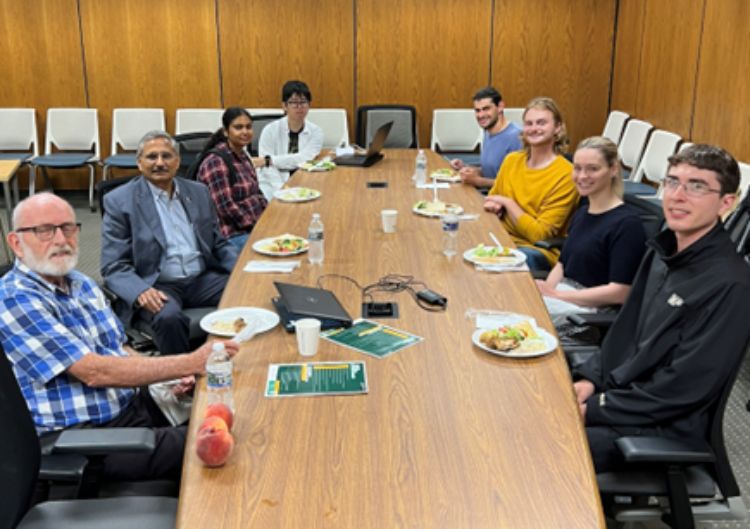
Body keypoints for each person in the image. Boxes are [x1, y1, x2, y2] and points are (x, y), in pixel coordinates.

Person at [0, 192, 239, 481]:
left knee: (229, 414)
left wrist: (170, 378)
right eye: (45, 231)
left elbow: (117, 347)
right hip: (87, 439)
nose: (61, 239)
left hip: (129, 406)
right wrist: (190, 362)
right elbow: (94, 372)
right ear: (16, 243)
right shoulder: (14, 300)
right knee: (222, 446)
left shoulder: (80, 283)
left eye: (68, 228)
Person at [571, 144, 750, 473]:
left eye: (697, 186)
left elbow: (684, 389)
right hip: (624, 399)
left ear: (727, 203)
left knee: (543, 448)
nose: (678, 195)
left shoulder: (731, 284)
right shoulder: (662, 251)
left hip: (660, 425)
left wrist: (595, 408)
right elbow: (624, 330)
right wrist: (590, 380)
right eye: (672, 182)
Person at [101, 131, 239, 356]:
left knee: (252, 291)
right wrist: (140, 291)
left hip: (201, 279)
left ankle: (243, 363)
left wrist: (241, 269)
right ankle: (179, 380)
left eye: (166, 156)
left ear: (177, 161)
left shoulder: (198, 192)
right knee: (168, 317)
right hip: (158, 284)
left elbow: (218, 243)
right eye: (151, 157)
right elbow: (113, 266)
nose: (159, 163)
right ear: (139, 163)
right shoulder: (119, 201)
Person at [536, 137, 647, 309]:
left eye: (593, 169)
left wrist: (557, 296)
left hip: (587, 315)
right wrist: (548, 293)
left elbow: (621, 291)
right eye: (577, 168)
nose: (582, 176)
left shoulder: (627, 225)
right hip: (563, 300)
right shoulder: (582, 213)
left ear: (613, 169)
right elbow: (562, 264)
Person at [483, 96, 578, 271]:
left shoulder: (566, 175)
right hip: (499, 238)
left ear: (557, 128)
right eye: (529, 123)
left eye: (541, 123)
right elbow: (491, 199)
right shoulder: (512, 160)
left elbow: (538, 234)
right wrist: (494, 204)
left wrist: (508, 203)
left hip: (534, 251)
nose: (534, 129)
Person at [197, 107, 268, 251]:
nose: (245, 132)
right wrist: (258, 226)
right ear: (225, 131)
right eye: (238, 127)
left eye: (248, 127)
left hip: (251, 227)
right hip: (231, 235)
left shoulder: (243, 156)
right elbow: (226, 208)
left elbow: (257, 193)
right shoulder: (216, 161)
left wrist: (269, 216)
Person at [256, 80, 324, 199]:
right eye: (294, 103)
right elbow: (267, 168)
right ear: (284, 106)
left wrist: (269, 160)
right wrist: (282, 189)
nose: (300, 107)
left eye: (304, 102)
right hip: (273, 183)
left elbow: (305, 159)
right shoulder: (269, 130)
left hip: (304, 180)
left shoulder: (316, 132)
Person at [450, 86, 522, 190]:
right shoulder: (488, 131)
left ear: (500, 106)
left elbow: (516, 184)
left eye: (486, 109)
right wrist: (466, 168)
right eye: (477, 110)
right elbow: (491, 171)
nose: (481, 115)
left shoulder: (517, 137)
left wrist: (478, 181)